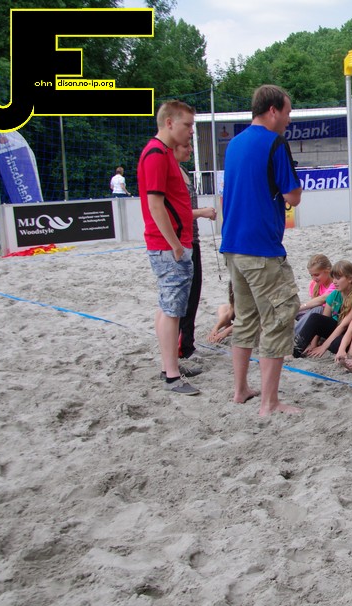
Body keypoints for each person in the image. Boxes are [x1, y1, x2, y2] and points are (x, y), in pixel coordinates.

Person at [219, 84, 303, 415]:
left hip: (233, 245)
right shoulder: (274, 142)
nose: (288, 119)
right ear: (272, 111)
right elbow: (293, 195)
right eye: (287, 112)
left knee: (245, 318)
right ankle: (269, 402)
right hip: (261, 248)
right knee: (279, 317)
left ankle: (240, 390)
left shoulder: (234, 143)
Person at [137, 99, 199, 395]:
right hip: (168, 245)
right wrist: (175, 245)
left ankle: (169, 365)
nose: (191, 131)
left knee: (169, 307)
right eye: (188, 125)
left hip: (172, 243)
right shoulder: (156, 154)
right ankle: (172, 374)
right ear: (170, 122)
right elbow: (155, 204)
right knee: (172, 310)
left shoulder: (163, 153)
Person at [175, 143, 217, 360]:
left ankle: (186, 344)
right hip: (180, 243)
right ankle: (182, 348)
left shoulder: (183, 170)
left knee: (193, 295)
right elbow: (174, 212)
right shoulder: (171, 171)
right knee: (182, 299)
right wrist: (201, 212)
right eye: (186, 146)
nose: (190, 149)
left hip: (192, 240)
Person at [293, 260, 352, 358]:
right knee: (315, 318)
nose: (334, 281)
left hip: (350, 332)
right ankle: (295, 351)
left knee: (335, 346)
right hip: (337, 327)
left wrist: (323, 347)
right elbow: (322, 321)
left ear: (350, 279)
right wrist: (314, 345)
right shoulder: (334, 294)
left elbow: (343, 326)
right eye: (333, 278)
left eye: (338, 278)